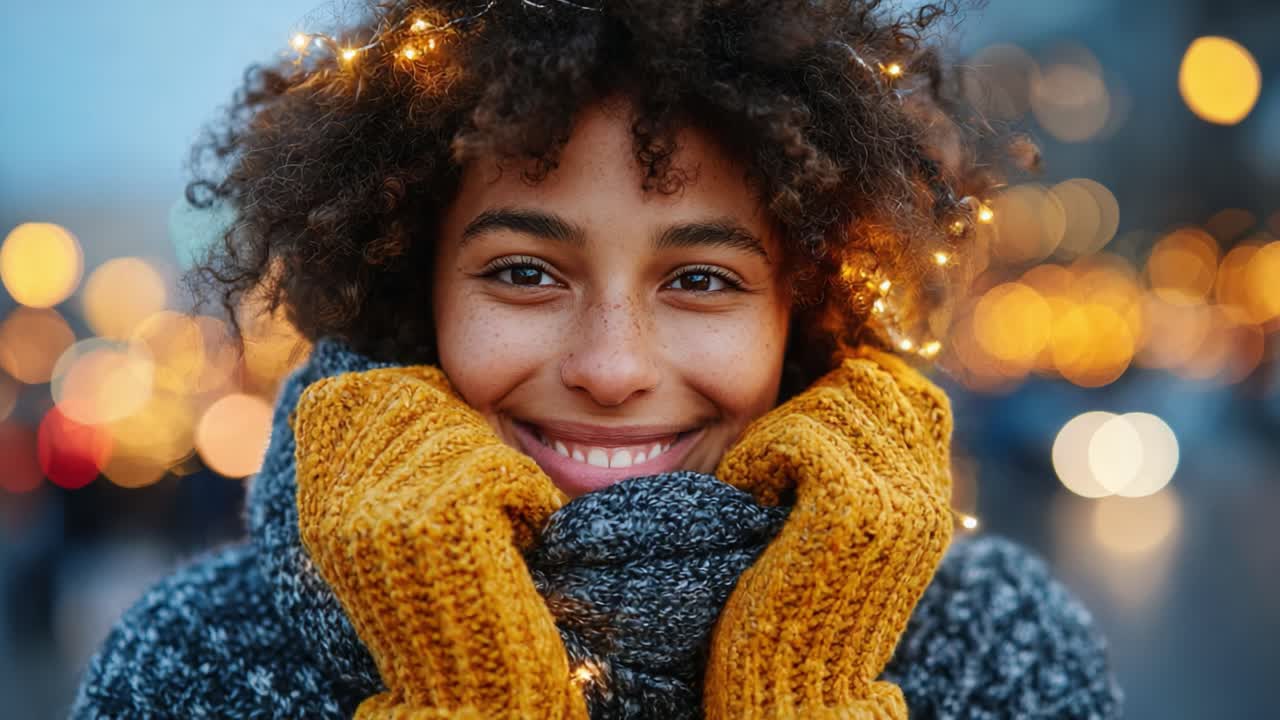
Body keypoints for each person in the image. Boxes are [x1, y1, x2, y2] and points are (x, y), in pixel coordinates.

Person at [70, 1, 1123, 718]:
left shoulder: (996, 645)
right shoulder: (198, 661)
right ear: (413, 288)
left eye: (701, 280)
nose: (612, 368)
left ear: (797, 312)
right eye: (526, 273)